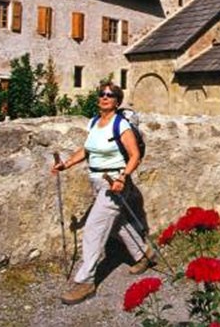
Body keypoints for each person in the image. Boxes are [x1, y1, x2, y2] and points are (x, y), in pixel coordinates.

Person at [51, 82, 154, 305]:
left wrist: (122, 177)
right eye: (102, 94)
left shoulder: (121, 124)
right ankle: (143, 253)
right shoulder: (94, 122)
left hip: (115, 184)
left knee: (94, 228)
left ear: (117, 101)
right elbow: (87, 149)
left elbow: (135, 156)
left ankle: (86, 281)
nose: (105, 97)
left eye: (111, 95)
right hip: (97, 181)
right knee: (117, 224)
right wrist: (67, 164)